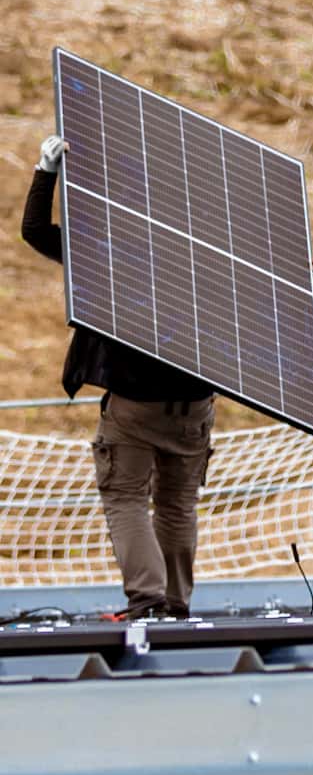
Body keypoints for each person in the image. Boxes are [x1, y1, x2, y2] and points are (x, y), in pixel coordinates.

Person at [22, 133, 214, 621]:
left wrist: (46, 173)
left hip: (132, 408)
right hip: (194, 406)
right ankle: (174, 604)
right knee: (177, 507)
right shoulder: (210, 255)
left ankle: (148, 600)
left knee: (126, 497)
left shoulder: (110, 249)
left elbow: (35, 231)